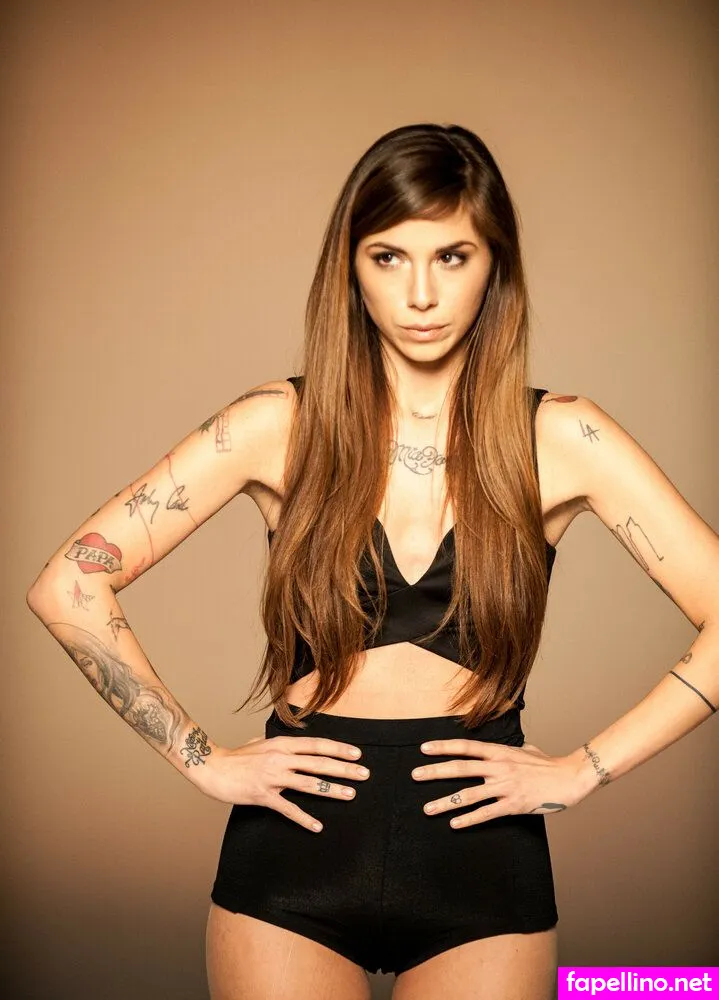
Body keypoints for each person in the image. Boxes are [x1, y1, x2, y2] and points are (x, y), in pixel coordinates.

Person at [26, 123, 718, 1000]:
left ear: (494, 266)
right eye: (388, 257)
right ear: (349, 270)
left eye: (451, 257)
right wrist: (200, 758)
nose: (420, 294)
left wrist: (582, 769)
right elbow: (70, 583)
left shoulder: (562, 438)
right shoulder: (277, 426)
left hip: (481, 863)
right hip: (294, 856)